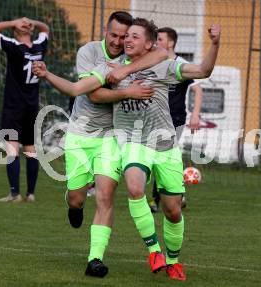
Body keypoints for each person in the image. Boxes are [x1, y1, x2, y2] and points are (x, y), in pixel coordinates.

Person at [32, 18, 220, 281]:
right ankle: (154, 251)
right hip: (129, 141)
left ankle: (173, 260)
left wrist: (215, 43)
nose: (126, 41)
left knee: (173, 210)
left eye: (133, 36)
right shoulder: (106, 65)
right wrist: (48, 74)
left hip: (164, 145)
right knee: (128, 189)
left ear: (148, 43)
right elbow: (79, 89)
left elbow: (201, 70)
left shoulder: (163, 64)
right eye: (124, 36)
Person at [36, 11, 167, 278]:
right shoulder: (90, 53)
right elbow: (90, 94)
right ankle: (75, 205)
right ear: (104, 32)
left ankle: (95, 259)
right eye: (114, 35)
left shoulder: (130, 58)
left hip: (111, 136)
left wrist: (128, 69)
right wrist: (128, 91)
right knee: (76, 198)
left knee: (106, 197)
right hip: (81, 134)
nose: (119, 41)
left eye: (124, 36)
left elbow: (162, 53)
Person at [0, 18, 49, 203]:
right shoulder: (39, 46)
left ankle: (15, 194)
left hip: (14, 106)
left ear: (14, 32)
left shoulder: (13, 46)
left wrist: (13, 22)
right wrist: (32, 23)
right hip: (32, 105)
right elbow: (46, 28)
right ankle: (31, 194)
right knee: (31, 149)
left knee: (12, 149)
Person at [148, 27, 205, 213]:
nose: (156, 42)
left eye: (160, 39)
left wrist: (195, 114)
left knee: (162, 156)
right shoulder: (154, 62)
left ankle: (158, 200)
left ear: (171, 43)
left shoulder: (181, 64)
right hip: (155, 117)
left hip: (176, 119)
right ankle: (176, 194)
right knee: (157, 157)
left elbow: (197, 89)